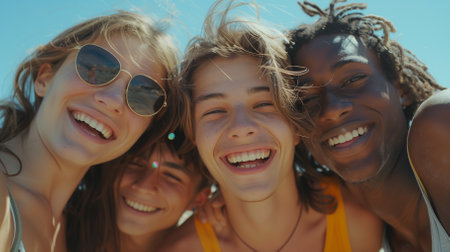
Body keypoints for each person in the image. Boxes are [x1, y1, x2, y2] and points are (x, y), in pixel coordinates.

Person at [159, 0, 383, 251]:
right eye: (215, 111)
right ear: (194, 137)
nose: (241, 127)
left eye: (264, 104)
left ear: (296, 126)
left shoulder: (362, 219)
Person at [0, 10, 180, 251]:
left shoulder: (88, 232)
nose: (113, 100)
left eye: (143, 95)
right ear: (44, 78)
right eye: (96, 67)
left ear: (144, 132)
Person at [285, 0, 449, 251]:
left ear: (401, 89)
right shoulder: (360, 237)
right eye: (306, 99)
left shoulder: (440, 119)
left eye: (354, 79)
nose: (332, 108)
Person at [64, 128, 211, 252]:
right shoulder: (58, 227)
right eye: (135, 164)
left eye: (172, 176)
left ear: (200, 198)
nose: (143, 186)